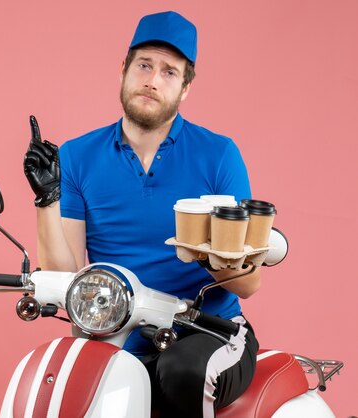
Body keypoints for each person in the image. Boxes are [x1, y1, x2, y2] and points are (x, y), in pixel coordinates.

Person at [23, 11, 260, 418]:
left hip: (209, 331)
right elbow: (66, 275)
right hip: (118, 331)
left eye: (170, 72)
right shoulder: (78, 156)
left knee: (180, 370)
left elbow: (249, 284)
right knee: (58, 381)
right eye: (144, 65)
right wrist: (47, 198)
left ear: (185, 88)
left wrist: (208, 252)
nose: (152, 79)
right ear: (124, 70)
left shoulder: (219, 155)